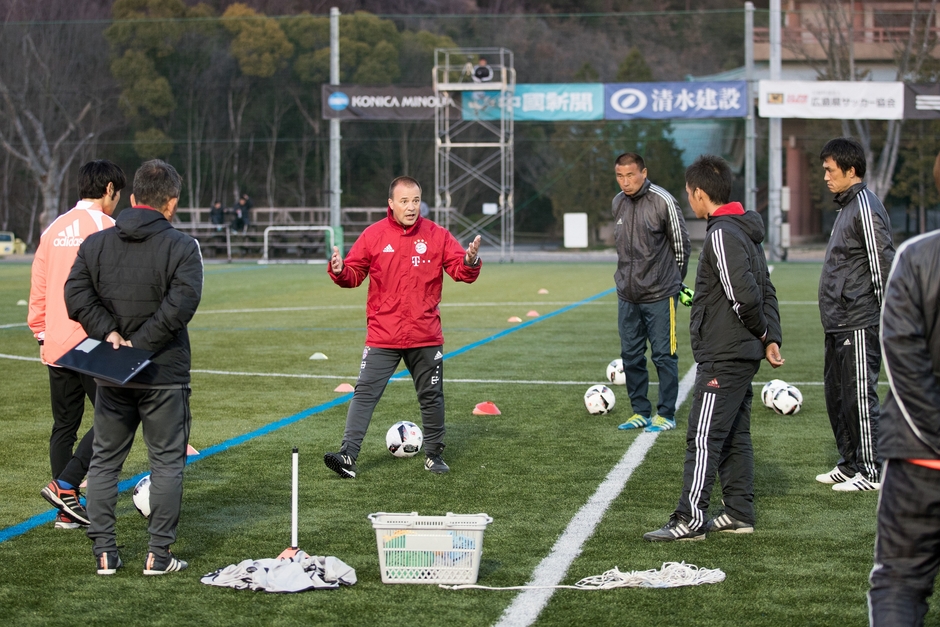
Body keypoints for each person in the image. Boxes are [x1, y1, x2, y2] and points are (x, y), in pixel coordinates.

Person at [65, 159, 203, 575]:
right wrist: (138, 345)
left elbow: (75, 296)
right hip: (163, 373)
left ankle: (105, 554)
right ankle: (158, 556)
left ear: (133, 196)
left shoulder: (97, 243)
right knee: (165, 464)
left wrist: (112, 337)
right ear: (171, 202)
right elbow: (181, 307)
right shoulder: (182, 246)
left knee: (105, 462)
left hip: (114, 368)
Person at [644, 155, 783, 542]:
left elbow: (747, 297)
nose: (689, 200)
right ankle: (739, 512)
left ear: (700, 193)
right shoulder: (745, 230)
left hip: (726, 353)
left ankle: (690, 518)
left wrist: (760, 332)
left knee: (703, 435)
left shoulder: (722, 233)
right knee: (735, 434)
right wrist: (771, 337)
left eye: (689, 193)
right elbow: (767, 291)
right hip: (740, 351)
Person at [323, 176, 482, 478]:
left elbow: (460, 270)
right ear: (391, 204)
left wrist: (471, 261)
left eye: (416, 200)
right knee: (364, 392)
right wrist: (340, 270)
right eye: (405, 201)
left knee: (431, 396)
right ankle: (348, 455)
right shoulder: (373, 235)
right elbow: (354, 273)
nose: (411, 207)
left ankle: (434, 455)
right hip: (384, 333)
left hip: (425, 334)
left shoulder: (437, 235)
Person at [29, 160, 126, 530]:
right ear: (108, 191)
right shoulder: (109, 228)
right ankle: (66, 484)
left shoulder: (52, 229)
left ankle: (64, 512)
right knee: (114, 415)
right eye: (116, 194)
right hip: (92, 340)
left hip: (55, 339)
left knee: (64, 425)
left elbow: (38, 289)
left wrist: (42, 333)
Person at [867, 153, 940, 627]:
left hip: (921, 455)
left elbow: (900, 357)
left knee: (898, 581)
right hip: (921, 452)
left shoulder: (916, 256)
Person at [815, 137, 895, 492]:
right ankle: (849, 463)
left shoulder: (864, 206)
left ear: (851, 170)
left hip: (860, 318)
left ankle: (872, 470)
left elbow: (882, 263)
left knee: (859, 394)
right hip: (838, 320)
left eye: (831, 170)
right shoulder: (846, 207)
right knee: (837, 395)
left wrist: (889, 316)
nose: (826, 177)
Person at [611, 152, 690, 433]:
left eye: (630, 175)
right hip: (627, 295)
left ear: (643, 172)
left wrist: (672, 283)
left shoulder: (663, 200)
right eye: (620, 176)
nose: (625, 181)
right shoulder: (617, 203)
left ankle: (666, 413)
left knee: (663, 355)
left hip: (660, 294)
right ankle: (640, 411)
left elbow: (681, 247)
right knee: (631, 355)